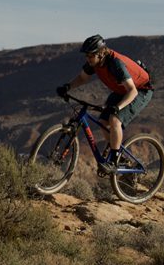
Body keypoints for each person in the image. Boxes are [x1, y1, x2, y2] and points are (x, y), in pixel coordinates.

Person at [56, 34, 153, 173]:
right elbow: (82, 78)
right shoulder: (94, 63)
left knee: (114, 120)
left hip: (140, 90)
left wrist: (118, 107)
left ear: (101, 53)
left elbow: (132, 91)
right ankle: (120, 156)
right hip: (121, 91)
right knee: (103, 121)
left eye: (90, 55)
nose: (87, 59)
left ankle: (114, 161)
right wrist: (67, 87)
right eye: (86, 56)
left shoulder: (115, 64)